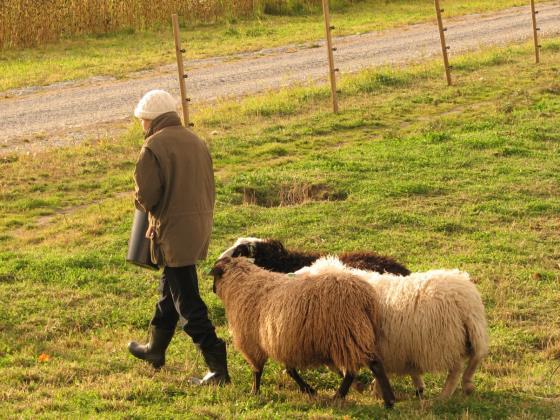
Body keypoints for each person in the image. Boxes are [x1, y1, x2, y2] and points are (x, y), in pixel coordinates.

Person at [127, 89, 230, 385]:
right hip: (198, 226)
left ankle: (217, 367)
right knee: (169, 291)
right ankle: (155, 350)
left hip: (172, 231)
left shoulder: (153, 147)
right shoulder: (195, 140)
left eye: (142, 120)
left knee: (187, 302)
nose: (141, 126)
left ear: (152, 119)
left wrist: (144, 206)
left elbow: (147, 196)